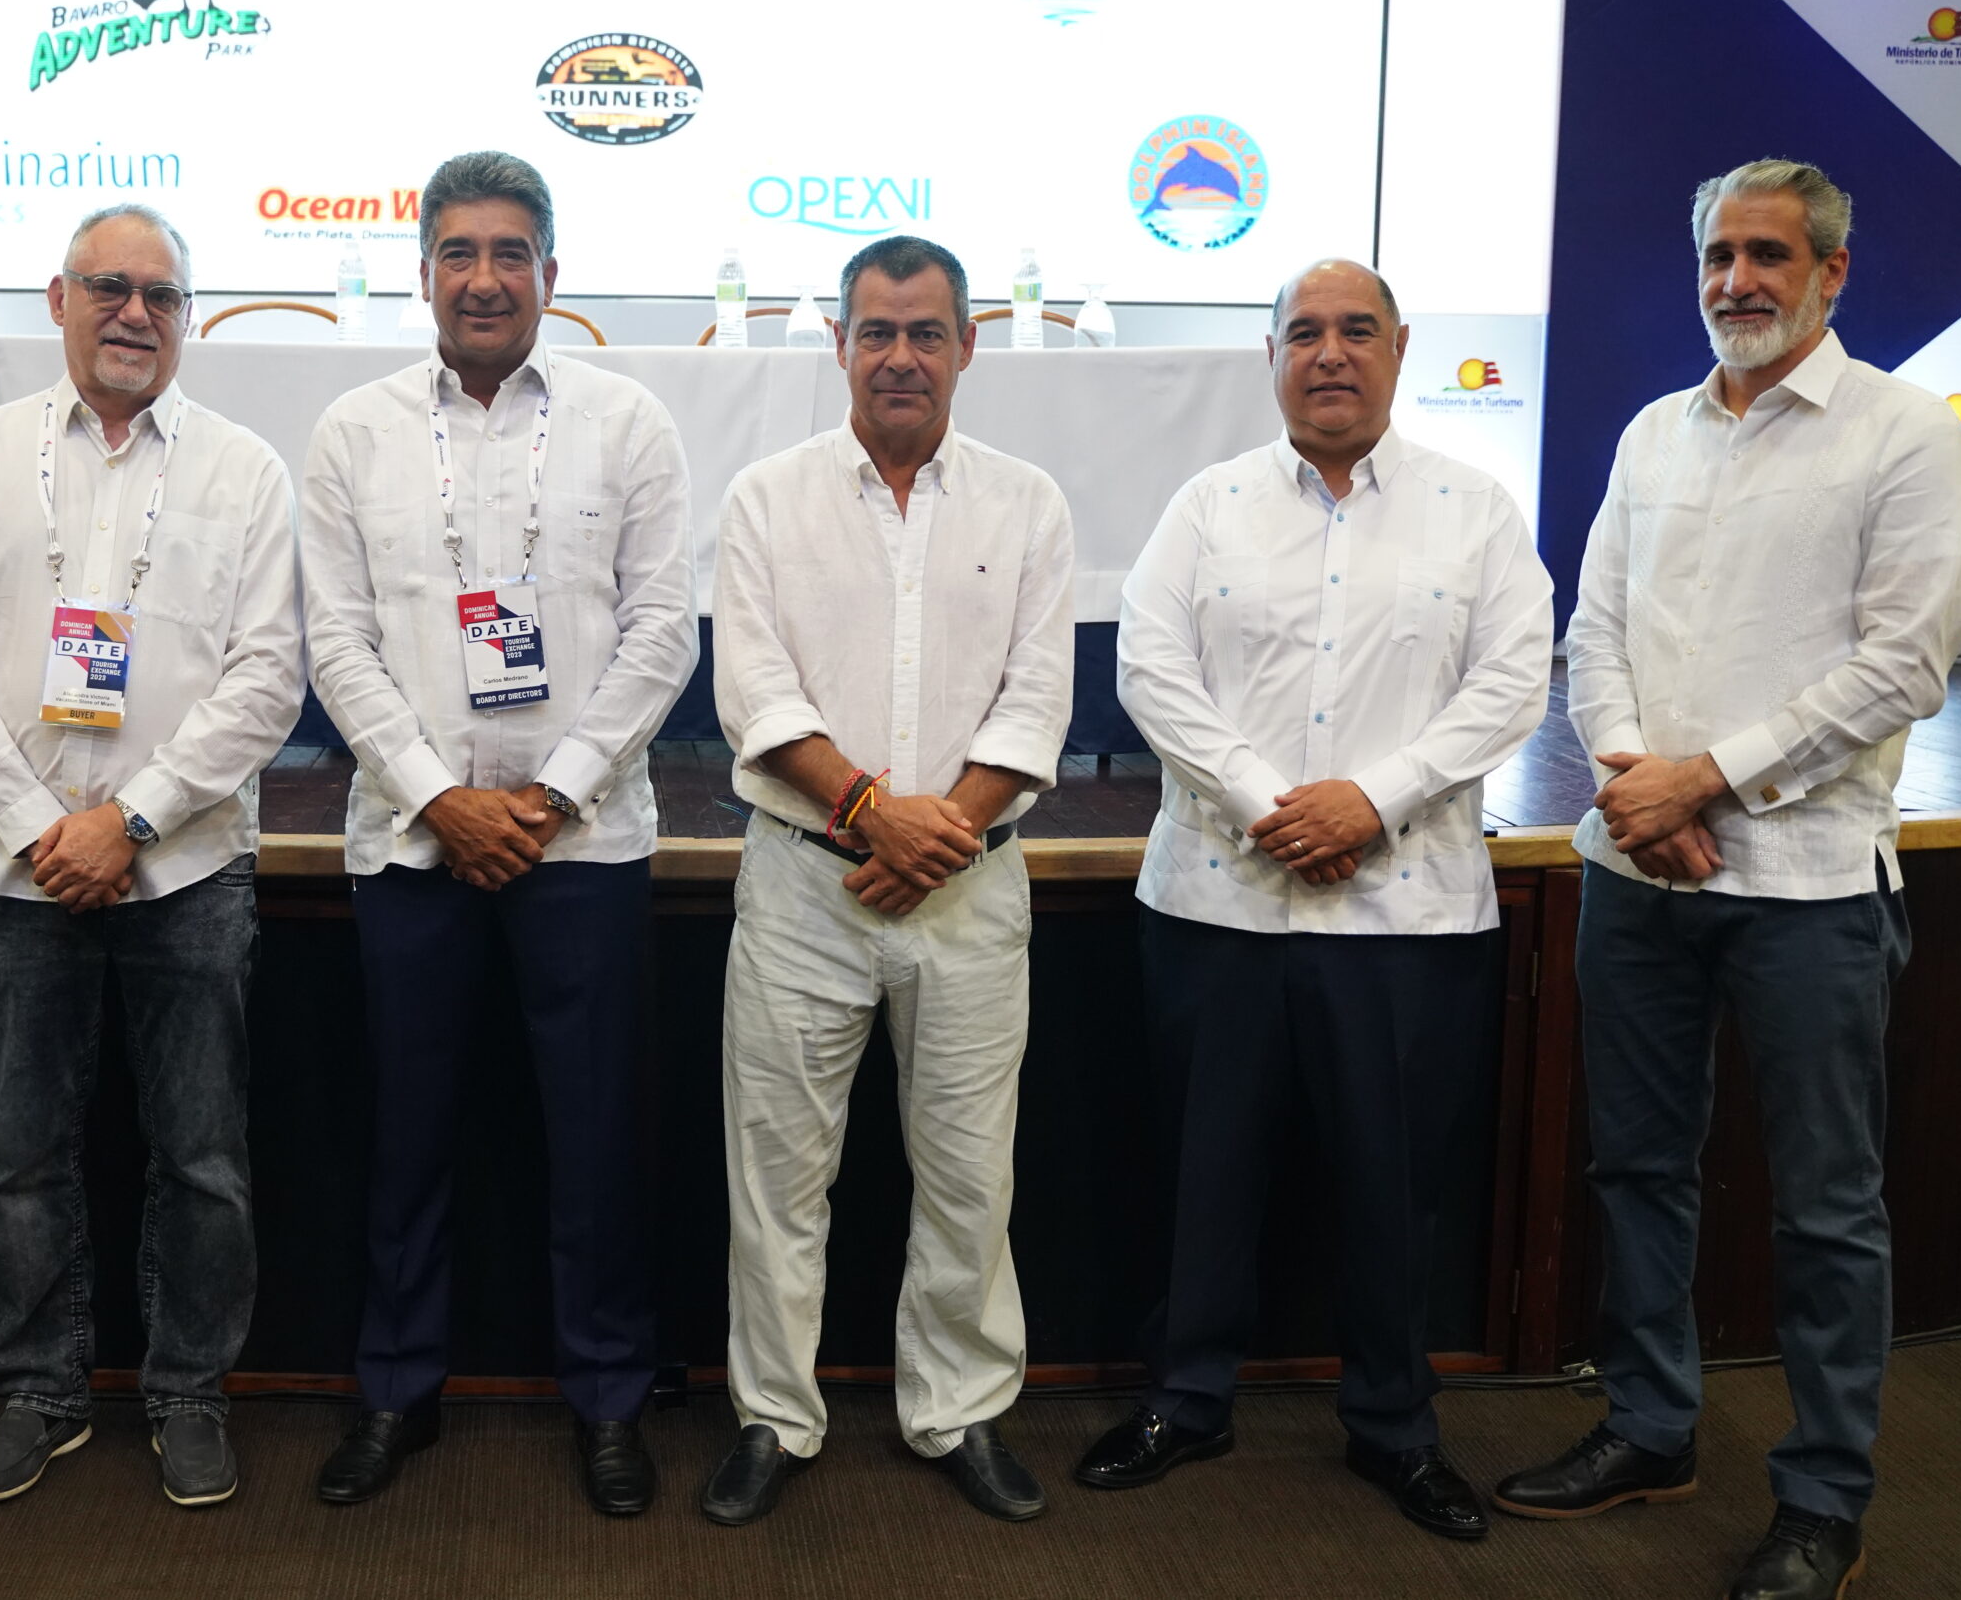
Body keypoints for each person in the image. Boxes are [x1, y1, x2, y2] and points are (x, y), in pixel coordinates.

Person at [1495, 161, 1961, 1600]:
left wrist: (1704, 781)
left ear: (1833, 272)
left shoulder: (1905, 433)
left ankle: (1825, 1497)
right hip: (1640, 873)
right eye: (1719, 253)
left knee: (1827, 1206)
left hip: (1811, 888)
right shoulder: (1655, 431)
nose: (1737, 281)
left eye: (1769, 254)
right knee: (1637, 1168)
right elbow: (1594, 627)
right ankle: (1650, 1428)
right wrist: (1637, 781)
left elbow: (1904, 663)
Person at [1090, 259, 1552, 1540]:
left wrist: (1372, 799)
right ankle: (1186, 1400)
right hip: (1218, 905)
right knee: (1200, 1171)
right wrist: (1268, 804)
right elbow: (1151, 668)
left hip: (1406, 914)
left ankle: (1395, 1426)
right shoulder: (1208, 505)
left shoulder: (1473, 509)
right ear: (1272, 357)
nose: (1329, 353)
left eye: (1357, 330)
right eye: (1304, 332)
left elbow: (1512, 680)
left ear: (1400, 349)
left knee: (1393, 1184)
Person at [298, 151, 695, 1516]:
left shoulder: (626, 420)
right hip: (414, 846)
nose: (483, 279)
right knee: (406, 1135)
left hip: (581, 847)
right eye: (459, 253)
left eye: (509, 253)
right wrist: (439, 797)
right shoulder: (353, 431)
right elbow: (336, 640)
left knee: (595, 1138)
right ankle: (395, 1388)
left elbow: (661, 631)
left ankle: (609, 1398)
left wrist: (554, 792)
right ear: (422, 274)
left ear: (550, 274)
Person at [0, 203, 303, 1509]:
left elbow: (267, 678)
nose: (135, 313)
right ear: (57, 299)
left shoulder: (245, 469)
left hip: (185, 868)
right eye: (108, 286)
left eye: (161, 295)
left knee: (203, 1157)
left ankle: (189, 1393)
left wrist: (126, 820)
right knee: (19, 1152)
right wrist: (42, 827)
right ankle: (40, 1390)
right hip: (16, 870)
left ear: (187, 317)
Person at [705, 234, 1074, 1526]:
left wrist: (939, 835)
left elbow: (1037, 695)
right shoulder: (767, 497)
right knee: (778, 1174)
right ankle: (773, 1414)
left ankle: (956, 1408)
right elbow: (754, 690)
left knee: (969, 1173)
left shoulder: (1027, 503)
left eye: (925, 332)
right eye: (876, 331)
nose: (900, 356)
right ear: (841, 345)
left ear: (968, 344)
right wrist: (871, 815)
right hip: (806, 883)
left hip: (969, 888)